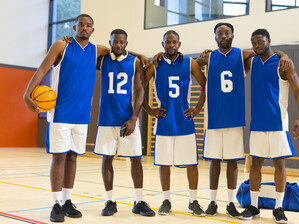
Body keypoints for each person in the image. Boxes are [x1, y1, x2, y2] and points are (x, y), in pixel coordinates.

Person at [23, 14, 149, 223]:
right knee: (59, 157)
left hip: (82, 115)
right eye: (81, 25)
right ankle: (55, 204)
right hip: (60, 111)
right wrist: (27, 93)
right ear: (75, 27)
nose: (84, 28)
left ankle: (67, 201)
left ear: (92, 29)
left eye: (88, 25)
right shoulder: (61, 46)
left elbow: (118, 49)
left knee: (73, 157)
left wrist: (140, 55)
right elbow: (43, 69)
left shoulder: (95, 50)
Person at [196, 23, 291, 218]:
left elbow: (266, 50)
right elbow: (190, 66)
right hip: (213, 118)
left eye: (227, 33)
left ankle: (231, 203)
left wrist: (284, 55)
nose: (223, 36)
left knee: (232, 162)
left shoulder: (242, 55)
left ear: (232, 35)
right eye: (219, 33)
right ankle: (213, 202)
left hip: (234, 118)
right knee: (214, 162)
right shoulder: (209, 57)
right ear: (214, 37)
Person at [238, 28, 299, 223]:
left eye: (260, 41)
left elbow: (298, 90)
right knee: (255, 164)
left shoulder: (283, 65)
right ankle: (254, 206)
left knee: (279, 164)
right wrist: (282, 51)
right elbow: (241, 54)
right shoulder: (253, 61)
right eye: (254, 42)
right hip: (257, 123)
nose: (256, 45)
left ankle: (278, 208)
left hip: (278, 123)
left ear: (269, 40)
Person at [143, 30, 206, 216]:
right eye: (168, 42)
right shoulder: (155, 65)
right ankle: (166, 200)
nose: (171, 45)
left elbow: (205, 84)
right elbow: (139, 86)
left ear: (179, 44)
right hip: (163, 121)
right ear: (163, 44)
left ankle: (193, 201)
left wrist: (197, 108)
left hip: (185, 121)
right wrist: (149, 109)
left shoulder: (190, 63)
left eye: (174, 42)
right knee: (164, 163)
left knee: (191, 163)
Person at [94, 29, 155, 217]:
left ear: (126, 43)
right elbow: (89, 49)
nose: (118, 45)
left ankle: (138, 201)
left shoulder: (135, 63)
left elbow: (140, 91)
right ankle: (110, 201)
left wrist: (134, 118)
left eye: (122, 42)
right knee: (107, 159)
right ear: (110, 42)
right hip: (106, 119)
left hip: (127, 118)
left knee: (136, 159)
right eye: (115, 42)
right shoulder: (102, 60)